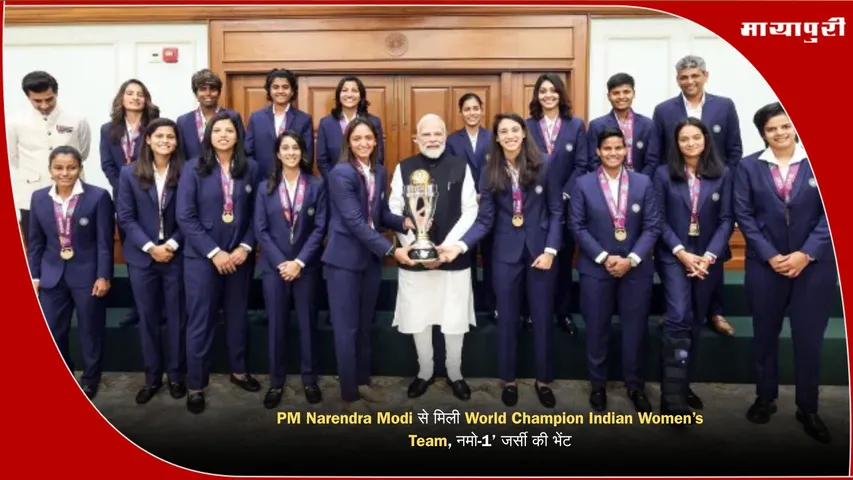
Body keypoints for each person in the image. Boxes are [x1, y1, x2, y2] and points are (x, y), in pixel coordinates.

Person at [440, 113, 564, 408]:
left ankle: (543, 379)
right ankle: (508, 380)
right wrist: (459, 246)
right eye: (503, 131)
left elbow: (557, 210)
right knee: (506, 318)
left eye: (514, 130)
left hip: (540, 254)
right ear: (496, 137)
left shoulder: (544, 163)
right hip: (505, 254)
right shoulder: (490, 169)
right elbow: (485, 220)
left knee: (543, 317)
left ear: (523, 133)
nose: (509, 135)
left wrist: (551, 251)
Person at [734, 102, 834, 444]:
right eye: (771, 128)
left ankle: (808, 407)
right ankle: (765, 398)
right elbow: (743, 214)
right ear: (763, 133)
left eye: (785, 126)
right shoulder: (748, 167)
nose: (779, 133)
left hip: (813, 267)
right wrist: (771, 255)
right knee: (765, 335)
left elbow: (831, 214)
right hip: (766, 266)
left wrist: (805, 254)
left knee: (809, 340)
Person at [569, 127, 662, 413]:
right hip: (596, 269)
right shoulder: (583, 184)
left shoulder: (643, 183)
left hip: (636, 269)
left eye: (618, 148)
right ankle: (598, 385)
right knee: (597, 328)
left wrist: (631, 259)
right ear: (598, 151)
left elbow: (652, 226)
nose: (612, 153)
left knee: (635, 330)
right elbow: (577, 226)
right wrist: (603, 257)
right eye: (606, 148)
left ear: (626, 150)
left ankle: (635, 386)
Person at [322, 117, 414, 404]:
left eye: (368, 138)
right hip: (344, 263)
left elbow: (379, 214)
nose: (363, 143)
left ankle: (362, 381)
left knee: (363, 325)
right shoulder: (340, 173)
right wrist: (391, 251)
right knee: (346, 328)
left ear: (376, 141)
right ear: (348, 142)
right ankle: (349, 394)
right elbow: (355, 221)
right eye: (357, 138)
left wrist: (406, 222)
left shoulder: (379, 170)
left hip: (369, 262)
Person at [388, 114, 478, 401]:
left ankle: (455, 372)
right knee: (420, 318)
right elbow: (394, 210)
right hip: (416, 260)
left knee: (454, 319)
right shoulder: (404, 168)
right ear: (416, 138)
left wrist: (448, 248)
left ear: (445, 136)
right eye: (426, 134)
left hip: (453, 259)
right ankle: (424, 371)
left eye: (438, 133)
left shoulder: (461, 166)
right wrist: (416, 247)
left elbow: (471, 210)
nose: (432, 139)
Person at [176, 111, 261, 414]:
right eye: (217, 130)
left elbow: (257, 214)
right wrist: (215, 252)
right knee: (200, 321)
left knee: (238, 316)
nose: (223, 135)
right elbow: (185, 216)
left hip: (240, 257)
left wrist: (245, 247)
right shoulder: (193, 168)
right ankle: (196, 385)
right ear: (208, 136)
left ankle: (239, 371)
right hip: (202, 259)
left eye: (229, 130)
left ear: (238, 135)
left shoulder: (250, 168)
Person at [652, 55, 743, 336]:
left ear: (705, 75)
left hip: (713, 190)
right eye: (684, 77)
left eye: (695, 75)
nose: (690, 81)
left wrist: (727, 186)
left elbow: (735, 150)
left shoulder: (724, 106)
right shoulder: (665, 110)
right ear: (677, 79)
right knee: (680, 272)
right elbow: (656, 153)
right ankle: (680, 314)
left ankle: (714, 312)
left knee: (712, 256)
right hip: (678, 188)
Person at [652, 117, 733, 414]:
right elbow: (657, 218)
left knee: (696, 320)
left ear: (705, 139)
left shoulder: (722, 173)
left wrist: (709, 256)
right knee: (678, 316)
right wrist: (682, 253)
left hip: (708, 257)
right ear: (676, 143)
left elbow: (727, 220)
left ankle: (682, 385)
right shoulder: (663, 174)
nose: (690, 143)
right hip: (674, 255)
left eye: (695, 137)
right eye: (684, 139)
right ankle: (671, 397)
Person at [28, 146, 113, 400]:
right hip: (52, 275)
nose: (65, 173)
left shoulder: (97, 197)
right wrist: (34, 276)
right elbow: (36, 243)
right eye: (59, 168)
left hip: (88, 276)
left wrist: (103, 275)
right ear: (50, 171)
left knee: (90, 330)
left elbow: (105, 242)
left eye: (71, 168)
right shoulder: (39, 198)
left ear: (80, 169)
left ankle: (90, 378)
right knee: (53, 331)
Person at [115, 118, 187, 404]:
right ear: (147, 139)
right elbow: (126, 217)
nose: (165, 141)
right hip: (142, 259)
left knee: (177, 318)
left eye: (171, 136)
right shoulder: (129, 173)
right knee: (148, 319)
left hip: (176, 255)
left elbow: (190, 215)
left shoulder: (186, 172)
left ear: (177, 141)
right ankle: (152, 377)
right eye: (159, 136)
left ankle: (177, 376)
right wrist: (149, 247)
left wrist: (170, 244)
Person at [255, 131, 326, 408]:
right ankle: (276, 382)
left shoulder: (316, 185)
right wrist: (282, 262)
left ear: (302, 152)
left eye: (295, 147)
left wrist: (299, 262)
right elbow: (260, 229)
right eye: (285, 148)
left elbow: (321, 227)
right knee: (276, 326)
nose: (291, 152)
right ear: (278, 153)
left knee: (308, 325)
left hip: (305, 268)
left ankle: (310, 380)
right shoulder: (265, 188)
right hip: (275, 269)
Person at [525, 73, 587, 336]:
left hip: (567, 203)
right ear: (537, 96)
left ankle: (562, 312)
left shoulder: (575, 125)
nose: (548, 95)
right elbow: (522, 165)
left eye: (553, 90)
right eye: (542, 91)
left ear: (561, 94)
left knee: (562, 260)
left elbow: (582, 164)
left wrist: (564, 193)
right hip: (535, 205)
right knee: (534, 258)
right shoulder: (526, 126)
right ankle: (532, 312)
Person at [99, 78, 160, 328]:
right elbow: (108, 165)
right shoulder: (108, 129)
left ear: (146, 99)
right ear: (121, 98)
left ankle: (162, 308)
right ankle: (139, 307)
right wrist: (124, 188)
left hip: (153, 197)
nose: (135, 97)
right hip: (124, 199)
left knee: (159, 253)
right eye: (130, 93)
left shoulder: (154, 126)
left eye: (140, 94)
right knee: (135, 255)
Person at [8, 71, 91, 248]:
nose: (44, 105)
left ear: (56, 93)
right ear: (28, 97)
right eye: (37, 101)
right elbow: (13, 157)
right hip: (32, 192)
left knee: (77, 242)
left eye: (49, 99)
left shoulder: (77, 119)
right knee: (36, 245)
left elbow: (82, 152)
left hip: (72, 191)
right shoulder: (13, 122)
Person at [445, 93, 496, 319]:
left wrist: (483, 193)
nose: (472, 112)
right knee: (466, 256)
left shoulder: (493, 137)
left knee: (491, 257)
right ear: (461, 112)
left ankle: (493, 305)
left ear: (482, 110)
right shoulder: (453, 140)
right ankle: (469, 307)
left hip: (490, 203)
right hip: (463, 206)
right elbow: (449, 170)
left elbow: (499, 168)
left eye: (476, 108)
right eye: (467, 109)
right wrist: (469, 194)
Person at [587, 73, 659, 176]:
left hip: (640, 184)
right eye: (616, 93)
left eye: (626, 92)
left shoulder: (648, 125)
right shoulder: (596, 126)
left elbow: (652, 161)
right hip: (607, 183)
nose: (621, 97)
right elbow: (593, 161)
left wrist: (641, 183)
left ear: (633, 93)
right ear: (609, 96)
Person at [245, 68, 313, 178]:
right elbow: (248, 152)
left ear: (292, 91)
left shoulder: (304, 119)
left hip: (294, 181)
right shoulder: (256, 118)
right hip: (261, 181)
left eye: (285, 87)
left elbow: (307, 155)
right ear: (269, 90)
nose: (280, 91)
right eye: (275, 87)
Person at [316, 75, 385, 178]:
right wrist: (334, 181)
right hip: (335, 184)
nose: (349, 94)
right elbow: (322, 160)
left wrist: (367, 179)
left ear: (361, 95)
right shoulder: (326, 123)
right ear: (338, 95)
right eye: (344, 90)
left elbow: (378, 157)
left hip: (366, 182)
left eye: (354, 91)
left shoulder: (373, 122)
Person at [176, 69, 245, 161]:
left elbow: (241, 148)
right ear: (196, 94)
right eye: (203, 89)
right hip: (194, 173)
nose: (208, 94)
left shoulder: (233, 117)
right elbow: (181, 155)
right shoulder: (183, 121)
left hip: (227, 172)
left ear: (219, 93)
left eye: (212, 89)